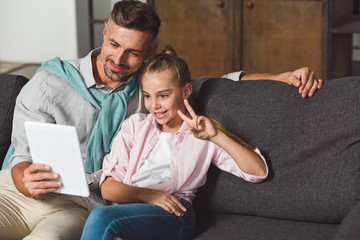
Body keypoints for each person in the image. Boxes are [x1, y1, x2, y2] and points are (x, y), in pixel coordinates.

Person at [0, 0, 321, 239]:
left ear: (149, 52)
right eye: (114, 44)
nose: (119, 60)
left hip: (78, 203)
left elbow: (217, 82)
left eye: (134, 53)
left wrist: (280, 76)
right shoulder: (51, 81)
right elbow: (22, 155)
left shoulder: (149, 88)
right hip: (17, 191)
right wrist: (23, 180)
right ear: (105, 31)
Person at [80, 45, 268, 240]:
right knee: (105, 220)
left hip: (175, 213)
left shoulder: (202, 136)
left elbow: (258, 172)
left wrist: (216, 136)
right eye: (147, 96)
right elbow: (108, 188)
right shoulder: (135, 126)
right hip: (130, 211)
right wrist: (150, 195)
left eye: (163, 95)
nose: (154, 105)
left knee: (101, 218)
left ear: (186, 91)